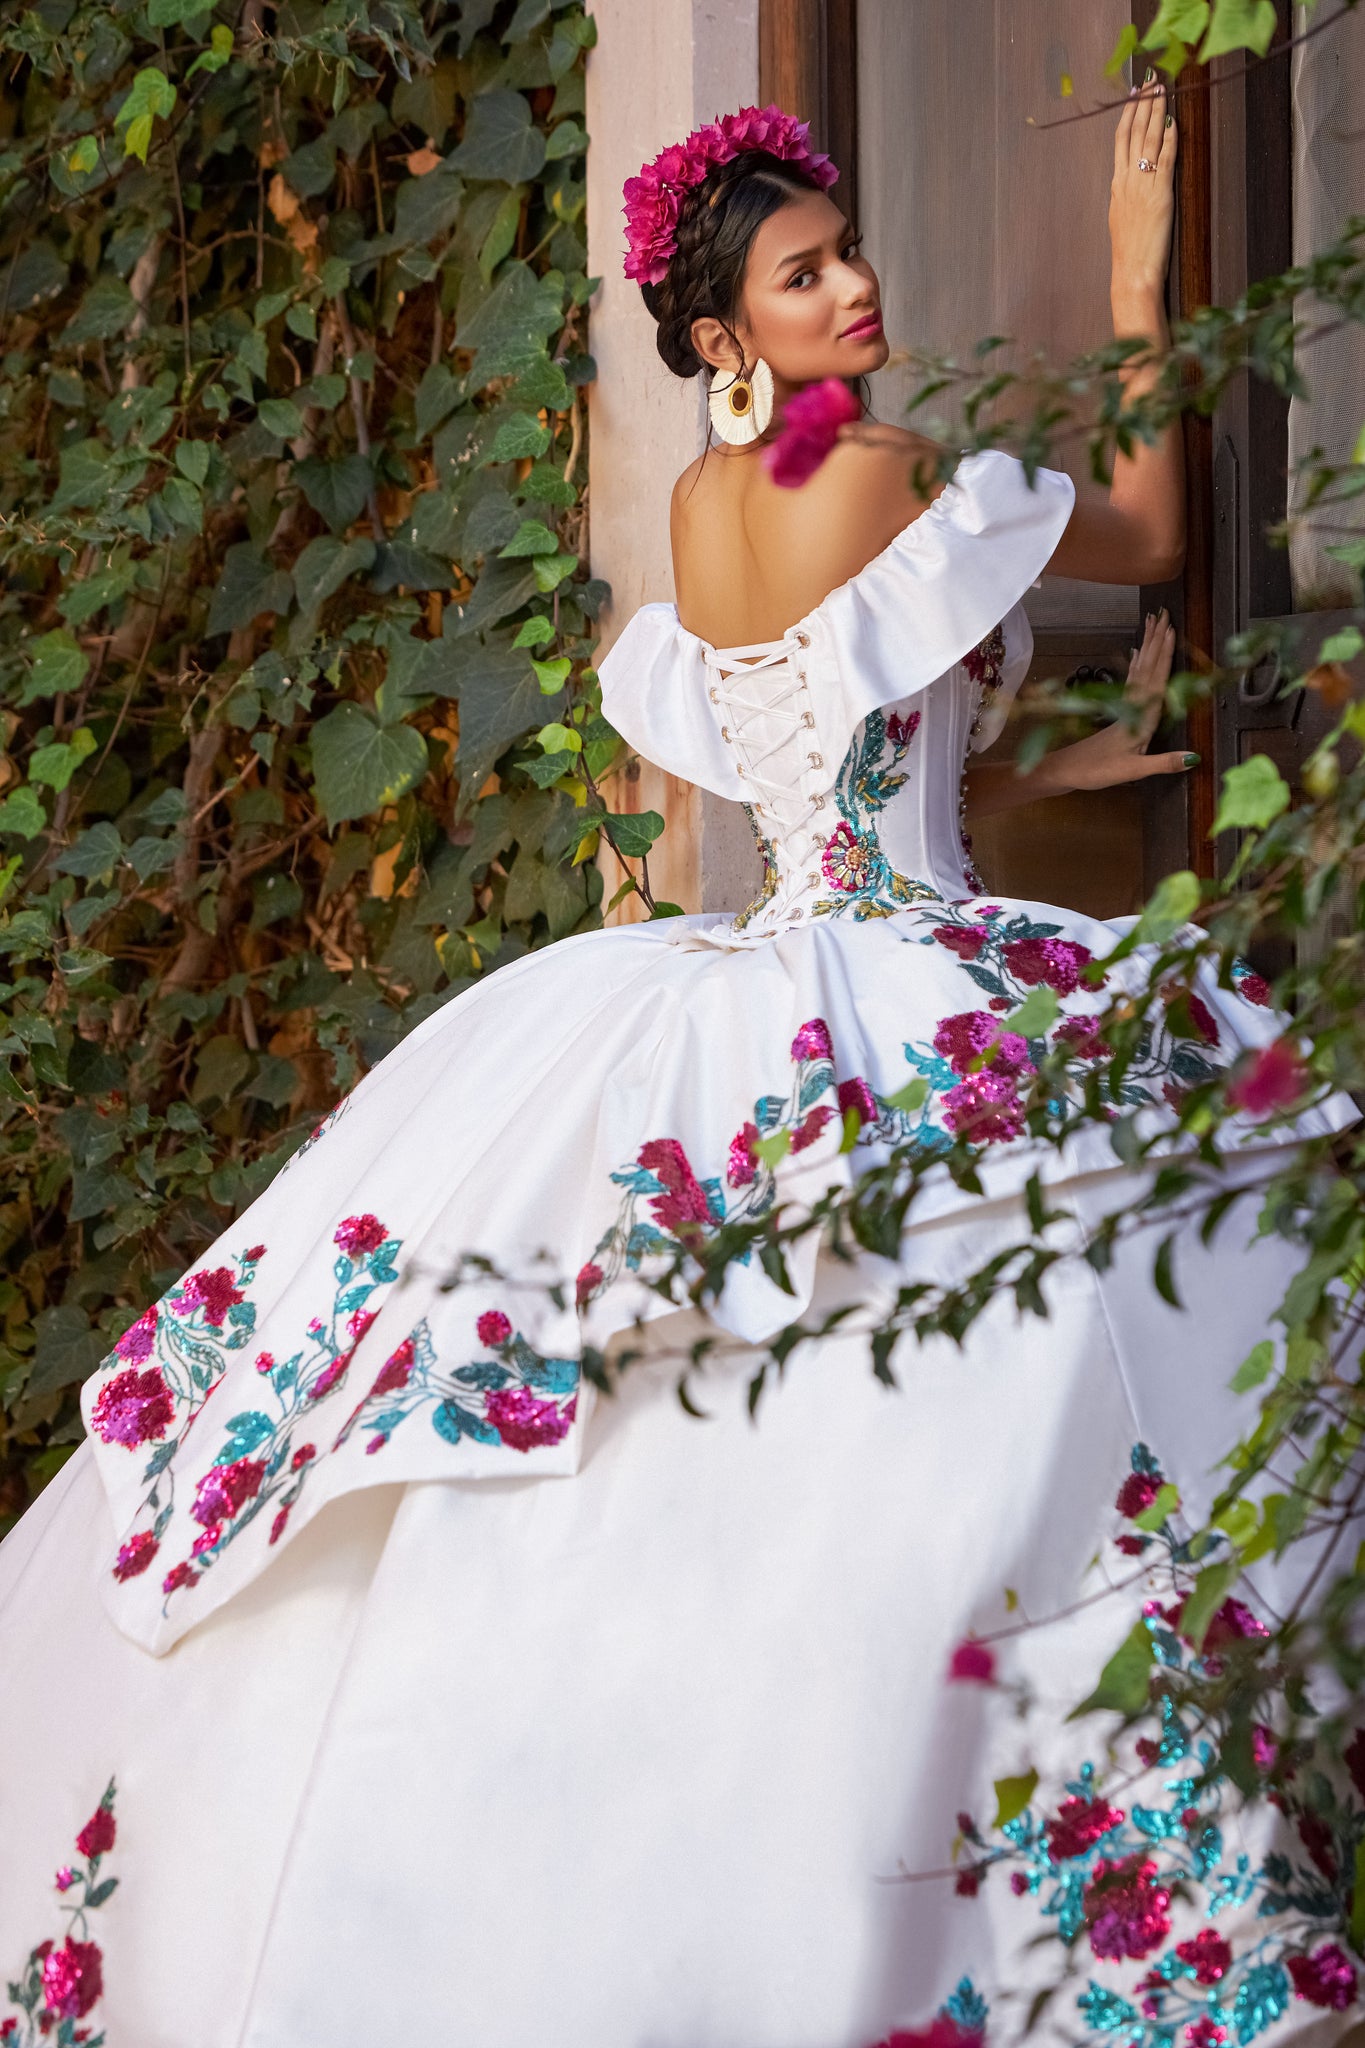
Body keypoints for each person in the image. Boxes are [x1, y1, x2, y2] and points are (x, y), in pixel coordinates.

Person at [0, 95, 1353, 2048]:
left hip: (760, 949)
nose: (852, 283)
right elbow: (1142, 529)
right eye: (801, 273)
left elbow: (827, 758)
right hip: (894, 959)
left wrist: (1029, 775)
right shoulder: (882, 464)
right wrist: (1143, 266)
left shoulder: (700, 511)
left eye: (843, 246)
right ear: (723, 335)